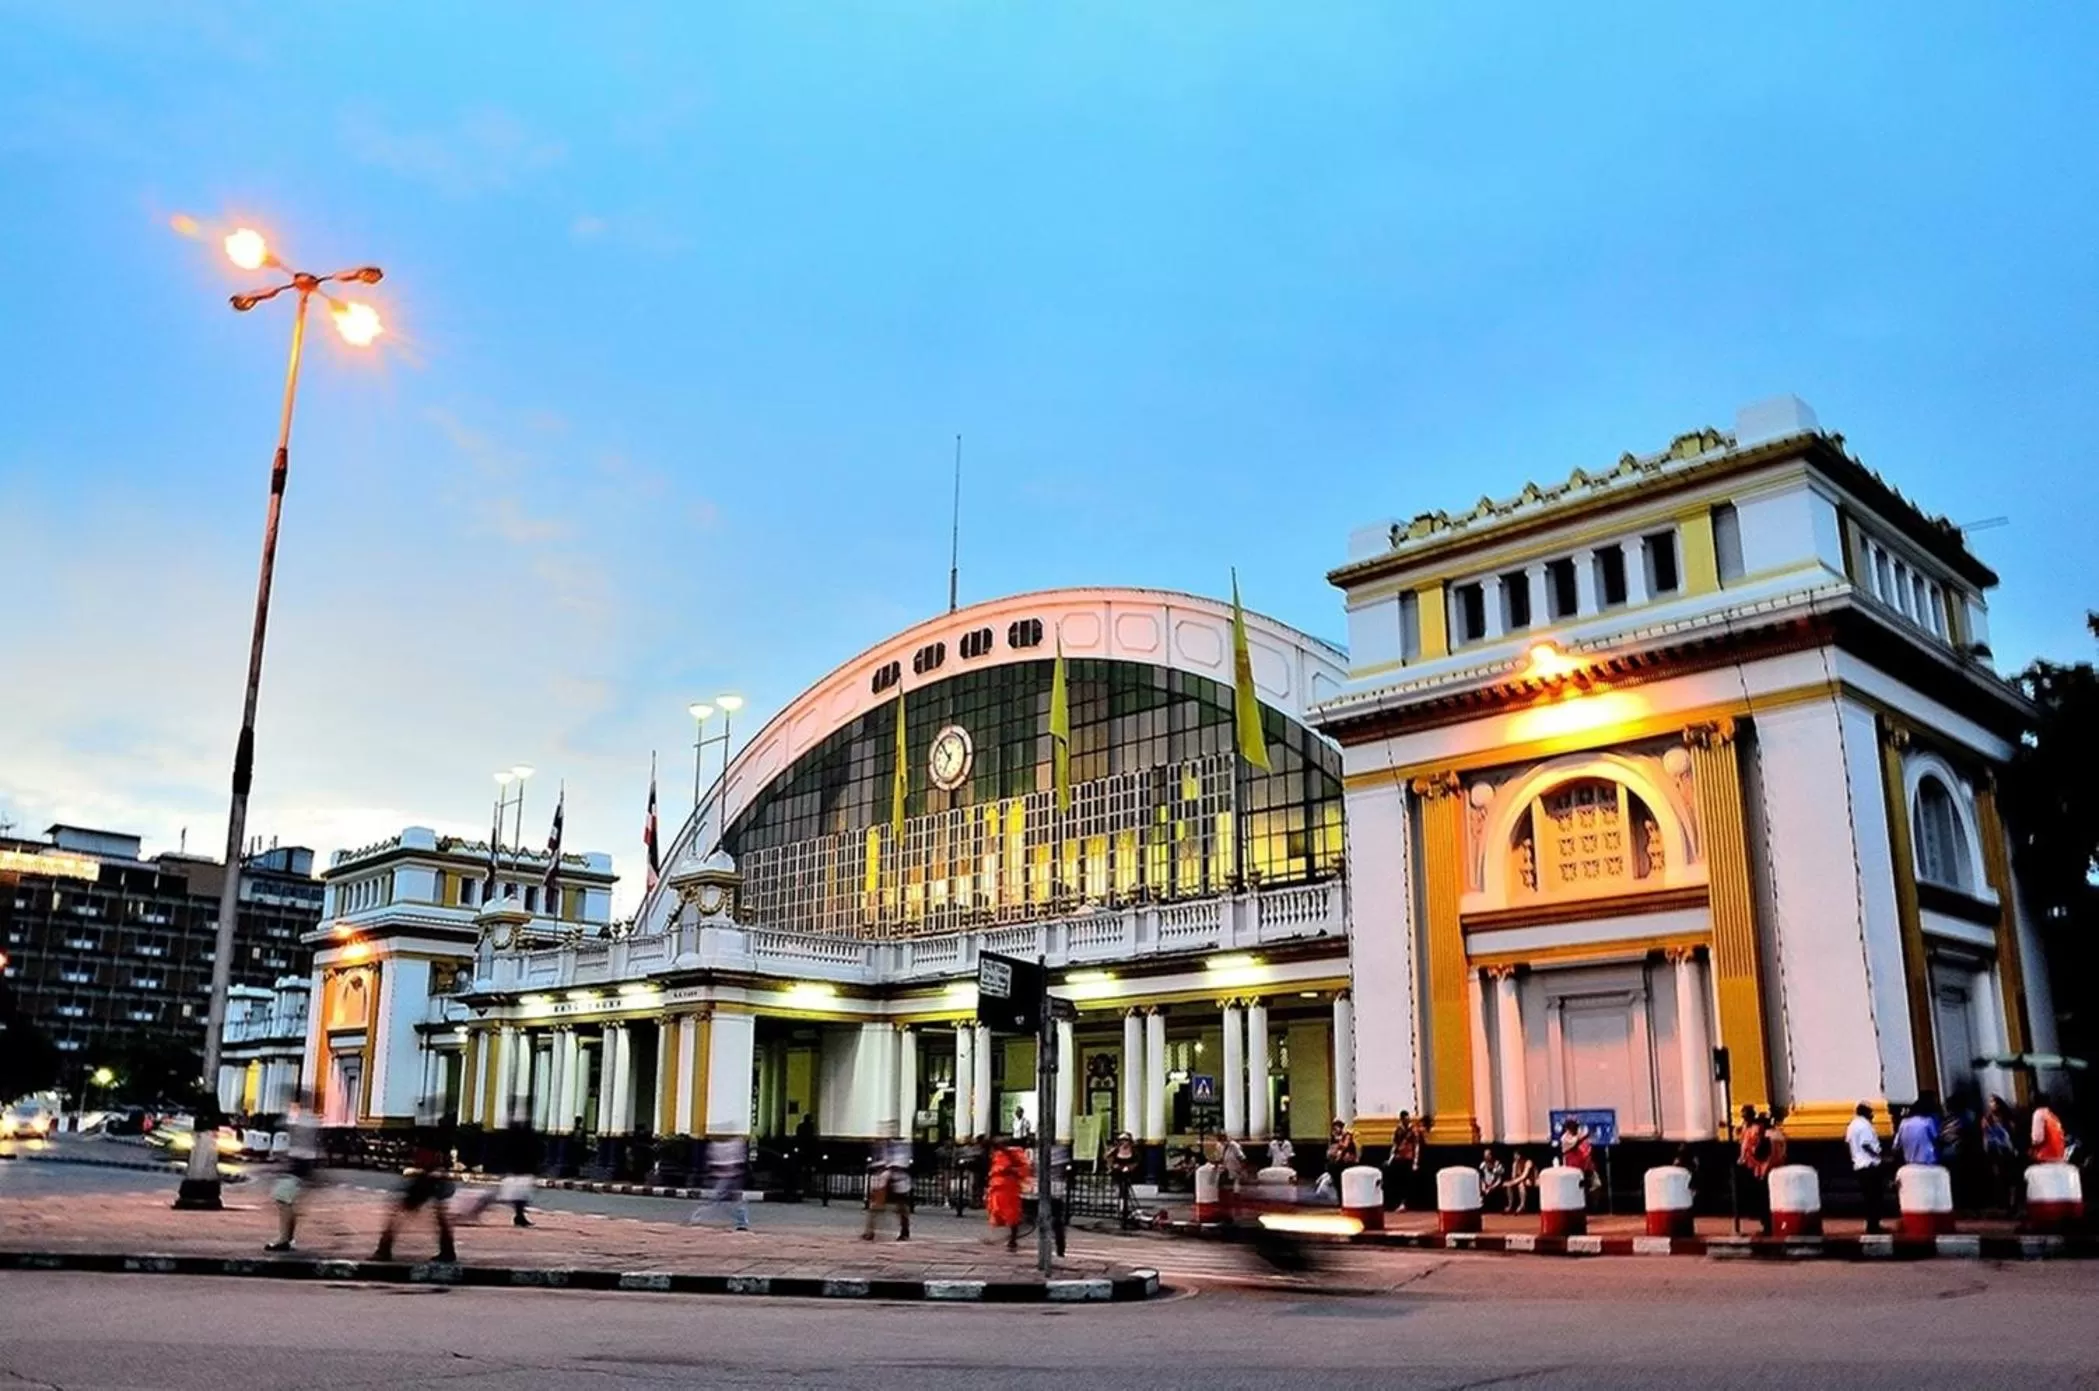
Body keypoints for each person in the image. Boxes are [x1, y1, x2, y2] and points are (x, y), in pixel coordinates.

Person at [373, 1131, 457, 1264]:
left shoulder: (430, 1136)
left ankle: (384, 1249)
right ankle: (447, 1252)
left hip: (429, 1175)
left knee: (400, 1212)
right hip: (431, 1174)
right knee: (438, 1215)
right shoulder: (438, 1133)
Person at [264, 1089, 323, 1253]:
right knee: (287, 1201)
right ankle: (288, 1237)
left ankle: (284, 1239)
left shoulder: (302, 1119)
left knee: (283, 1199)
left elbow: (290, 1130)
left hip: (299, 1163)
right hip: (303, 1164)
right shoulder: (311, 1119)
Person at [688, 1136, 751, 1232]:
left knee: (717, 1199)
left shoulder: (733, 1145)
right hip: (728, 1177)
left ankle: (696, 1218)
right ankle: (742, 1222)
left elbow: (734, 1164)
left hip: (730, 1178)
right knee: (725, 1200)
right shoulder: (720, 1146)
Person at [1846, 1102, 1887, 1234]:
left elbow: (1848, 1144)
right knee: (1876, 1197)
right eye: (1871, 1112)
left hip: (1859, 1165)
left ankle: (1872, 1225)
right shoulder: (1865, 1126)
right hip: (1870, 1165)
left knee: (1869, 1198)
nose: (1873, 1115)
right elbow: (1866, 1145)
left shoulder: (1852, 1125)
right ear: (1866, 1113)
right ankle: (1874, 1226)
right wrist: (1881, 1156)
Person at [985, 1136, 1030, 1253]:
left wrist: (1011, 1170)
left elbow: (1024, 1168)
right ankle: (998, 1236)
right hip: (998, 1186)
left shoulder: (1014, 1153)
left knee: (1011, 1213)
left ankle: (1012, 1238)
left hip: (1009, 1187)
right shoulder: (998, 1154)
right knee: (996, 1210)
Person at [863, 1133, 912, 1241]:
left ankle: (905, 1230)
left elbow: (903, 1162)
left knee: (901, 1207)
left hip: (898, 1177)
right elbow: (879, 1161)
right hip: (884, 1177)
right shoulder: (882, 1146)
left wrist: (891, 1168)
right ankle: (869, 1231)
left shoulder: (902, 1145)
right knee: (875, 1206)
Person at [1737, 1104, 1773, 1234]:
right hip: (1750, 1166)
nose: (1744, 1118)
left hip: (1759, 1167)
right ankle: (1763, 1222)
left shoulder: (1756, 1129)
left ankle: (1767, 1224)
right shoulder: (1746, 1128)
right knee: (1755, 1196)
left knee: (1762, 1196)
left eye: (1746, 1115)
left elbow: (1758, 1148)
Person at [1981, 1095, 2019, 1214]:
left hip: (2007, 1150)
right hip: (1994, 1151)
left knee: (2011, 1178)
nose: (1990, 1104)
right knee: (1999, 1177)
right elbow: (1985, 1136)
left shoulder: (2007, 1118)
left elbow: (2012, 1133)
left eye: (1993, 1102)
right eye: (1990, 1102)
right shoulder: (1987, 1119)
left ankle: (2012, 1203)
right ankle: (2004, 1204)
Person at [1386, 1112, 1423, 1211]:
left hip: (1408, 1157)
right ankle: (1399, 1202)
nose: (1407, 1120)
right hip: (1399, 1158)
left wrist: (1415, 1161)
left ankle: (1405, 1202)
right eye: (1405, 1118)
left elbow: (1417, 1145)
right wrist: (1390, 1159)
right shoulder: (1398, 1130)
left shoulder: (1413, 1130)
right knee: (1399, 1181)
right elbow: (1394, 1145)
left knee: (1408, 1182)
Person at [1896, 1095, 1942, 1167]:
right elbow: (1937, 1139)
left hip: (1910, 1164)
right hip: (1928, 1163)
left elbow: (1896, 1145)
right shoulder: (1928, 1121)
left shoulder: (1903, 1123)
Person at [1108, 1131, 1141, 1227]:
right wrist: (1114, 1166)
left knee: (1126, 1193)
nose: (1124, 1142)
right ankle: (1119, 1210)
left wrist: (1129, 1168)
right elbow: (1109, 1160)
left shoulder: (1134, 1152)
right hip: (1117, 1175)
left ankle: (1125, 1211)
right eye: (1121, 1140)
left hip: (1129, 1176)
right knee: (1118, 1192)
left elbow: (1137, 1162)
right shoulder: (1116, 1151)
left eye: (1126, 1140)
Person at [1321, 1121, 1358, 1198]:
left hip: (1348, 1163)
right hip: (1340, 1163)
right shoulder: (1338, 1138)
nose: (1335, 1131)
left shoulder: (1347, 1135)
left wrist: (1339, 1143)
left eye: (1336, 1128)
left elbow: (1345, 1146)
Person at [2030, 1093, 2068, 1164]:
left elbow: (2038, 1139)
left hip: (2046, 1157)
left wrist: (2031, 1149)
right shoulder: (2052, 1116)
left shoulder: (2038, 1113)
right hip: (2059, 1156)